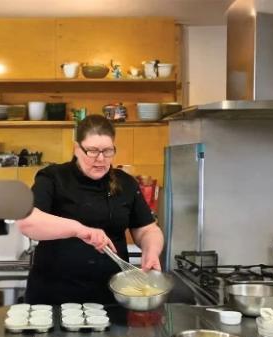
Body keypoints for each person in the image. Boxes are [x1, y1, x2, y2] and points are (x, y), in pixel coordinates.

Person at [16, 114, 164, 305]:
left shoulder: (126, 183)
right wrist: (80, 230)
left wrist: (152, 251)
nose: (101, 159)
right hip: (54, 296)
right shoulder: (53, 178)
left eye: (108, 151)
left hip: (112, 296)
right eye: (92, 151)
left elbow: (147, 229)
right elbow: (28, 223)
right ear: (77, 149)